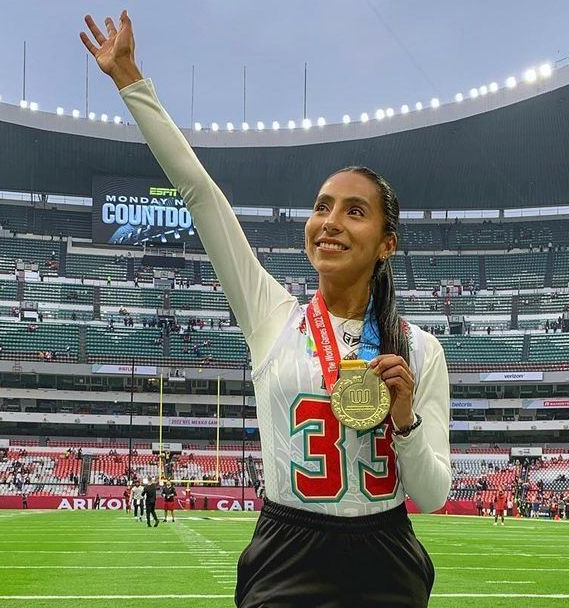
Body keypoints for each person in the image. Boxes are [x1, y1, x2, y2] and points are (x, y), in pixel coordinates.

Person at [81, 11, 449, 607]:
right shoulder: (271, 315)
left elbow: (431, 496)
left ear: (387, 243)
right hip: (288, 550)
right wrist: (131, 81)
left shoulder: (420, 349)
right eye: (322, 206)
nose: (329, 222)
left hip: (387, 554)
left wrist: (405, 421)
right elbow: (201, 195)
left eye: (354, 211)